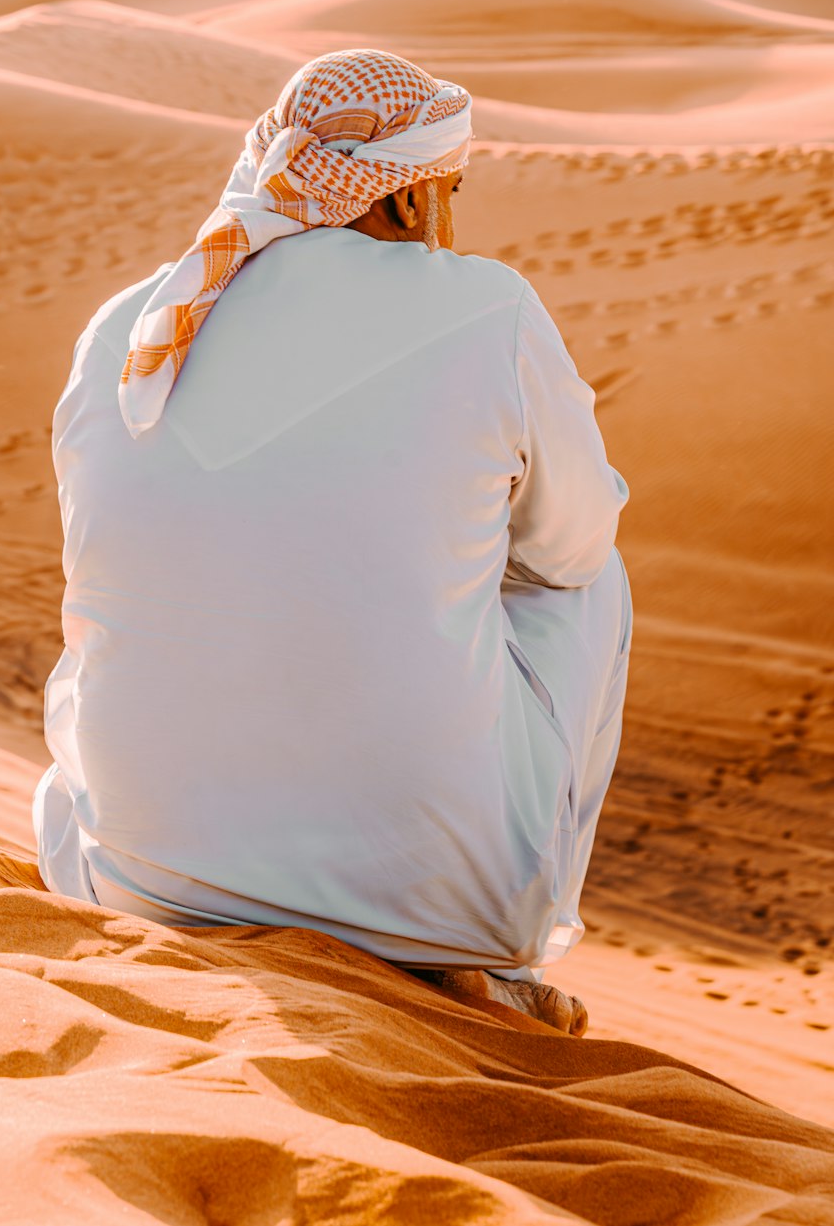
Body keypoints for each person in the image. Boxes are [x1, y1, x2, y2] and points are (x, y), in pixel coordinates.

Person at [34, 50, 631, 1034]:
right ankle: (481, 936)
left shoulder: (131, 328)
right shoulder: (488, 307)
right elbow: (569, 548)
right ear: (401, 206)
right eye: (449, 191)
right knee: (583, 578)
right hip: (434, 907)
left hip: (137, 873)